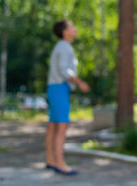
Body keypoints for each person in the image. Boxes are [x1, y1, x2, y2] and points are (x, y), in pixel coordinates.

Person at [45, 20, 90, 176]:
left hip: (54, 87)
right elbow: (65, 71)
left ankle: (51, 160)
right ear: (65, 32)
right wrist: (80, 82)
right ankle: (60, 164)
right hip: (59, 88)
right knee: (62, 126)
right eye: (72, 26)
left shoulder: (62, 47)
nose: (75, 28)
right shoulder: (64, 47)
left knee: (53, 125)